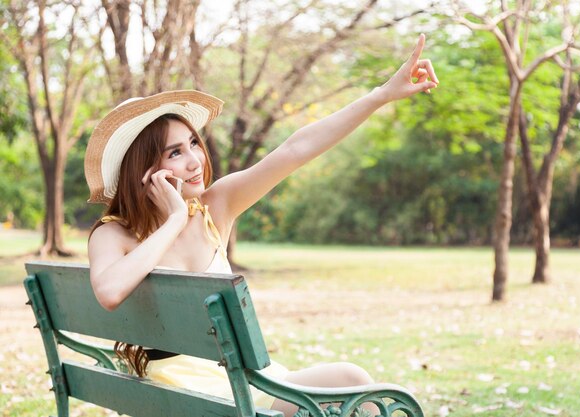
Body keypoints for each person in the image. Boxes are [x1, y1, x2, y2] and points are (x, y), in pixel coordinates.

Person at [85, 34, 438, 416]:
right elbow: (108, 291)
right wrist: (172, 219)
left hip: (243, 383)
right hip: (194, 393)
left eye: (193, 144)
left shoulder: (214, 206)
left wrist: (381, 94)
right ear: (145, 170)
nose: (194, 161)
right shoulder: (114, 233)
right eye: (175, 152)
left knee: (352, 380)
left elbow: (294, 150)